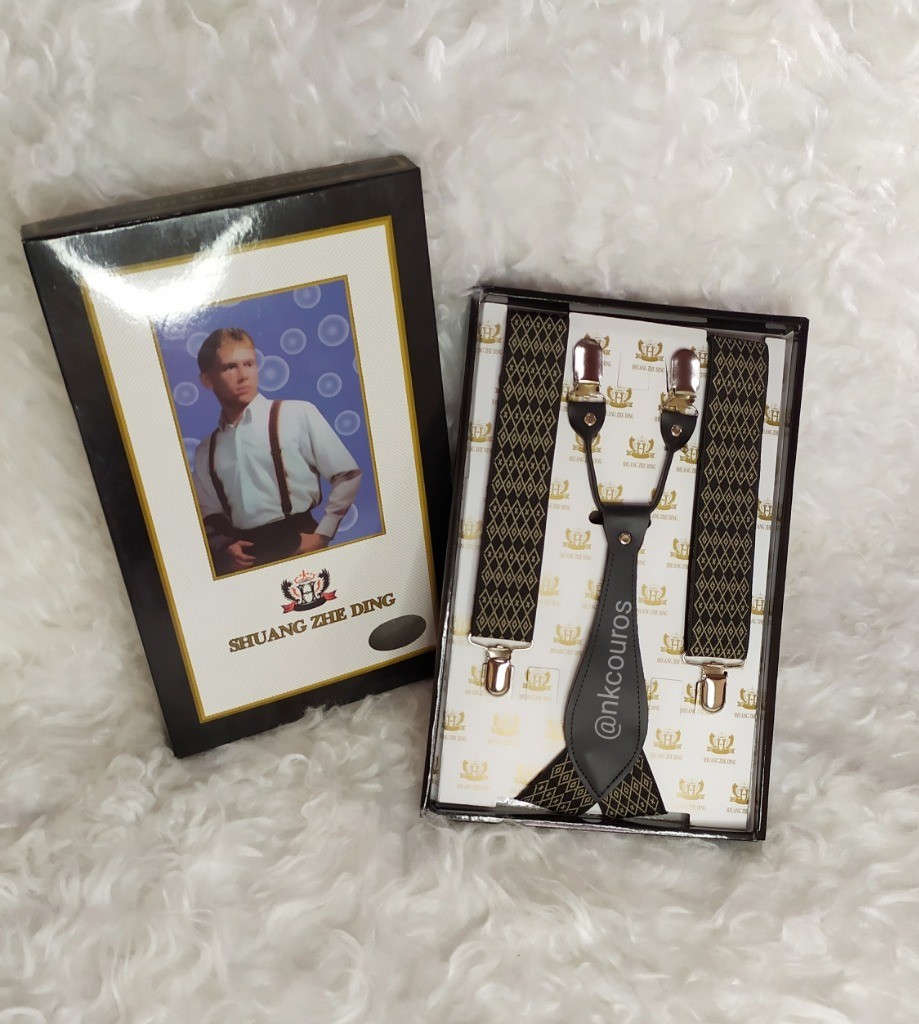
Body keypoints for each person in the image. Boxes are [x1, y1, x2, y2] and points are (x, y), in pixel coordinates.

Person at [191, 327, 361, 576]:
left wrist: (323, 533)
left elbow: (347, 474)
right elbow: (210, 512)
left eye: (249, 364)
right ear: (207, 379)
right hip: (247, 558)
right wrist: (226, 546)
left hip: (301, 541)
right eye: (229, 367)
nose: (243, 375)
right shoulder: (206, 450)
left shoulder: (297, 414)